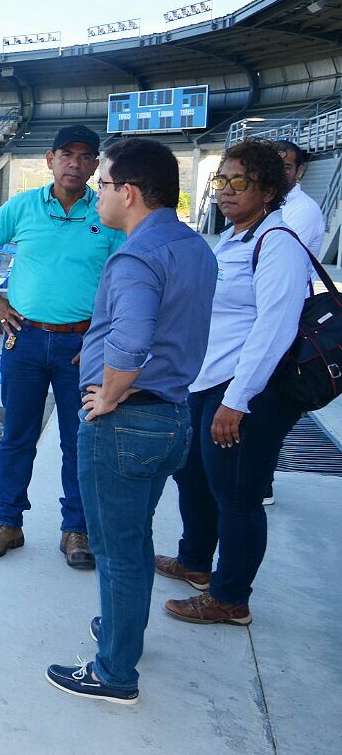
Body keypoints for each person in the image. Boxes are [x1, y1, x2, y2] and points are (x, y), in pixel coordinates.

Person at [45, 138, 216, 705]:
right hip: (172, 416)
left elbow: (134, 338)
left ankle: (114, 672)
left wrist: (109, 395)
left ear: (131, 192)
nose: (97, 196)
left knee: (117, 551)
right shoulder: (194, 247)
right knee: (135, 541)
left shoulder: (136, 255)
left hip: (128, 423)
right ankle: (124, 635)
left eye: (104, 186)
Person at [157, 137, 308, 626]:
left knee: (237, 495)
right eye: (219, 180)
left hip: (245, 390)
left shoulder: (278, 242)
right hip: (207, 381)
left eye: (236, 181)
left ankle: (230, 597)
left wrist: (237, 401)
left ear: (267, 189)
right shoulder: (236, 238)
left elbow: (275, 329)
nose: (224, 190)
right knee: (193, 476)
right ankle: (195, 562)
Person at [0, 125, 126, 568]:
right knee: (17, 436)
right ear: (51, 160)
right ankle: (7, 523)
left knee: (80, 440)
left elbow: (126, 277)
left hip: (82, 344)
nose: (75, 163)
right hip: (25, 339)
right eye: (66, 154)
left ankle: (75, 530)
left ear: (96, 166)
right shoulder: (21, 206)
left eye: (85, 156)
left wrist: (104, 334)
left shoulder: (109, 214)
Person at [265, 140, 323, 505]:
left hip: (285, 321)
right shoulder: (272, 206)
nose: (278, 171)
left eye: (285, 166)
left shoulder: (300, 211)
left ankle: (261, 480)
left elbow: (272, 267)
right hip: (268, 318)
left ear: (299, 171)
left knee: (270, 401)